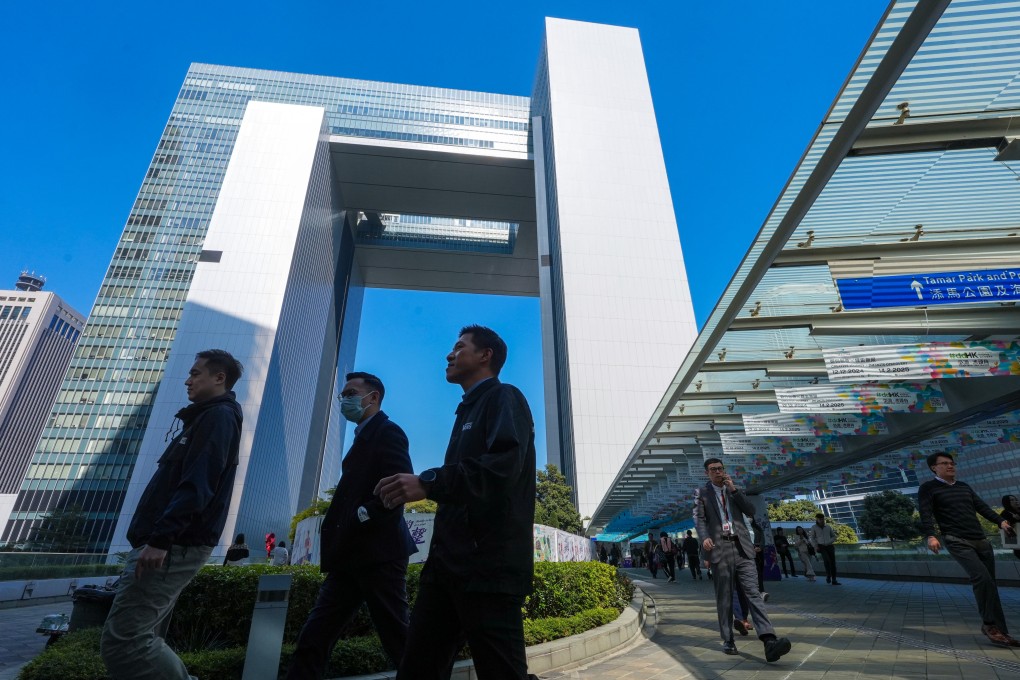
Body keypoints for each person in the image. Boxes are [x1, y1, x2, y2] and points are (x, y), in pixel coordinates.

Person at [375, 325, 537, 679]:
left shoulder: (504, 398)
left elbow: (502, 469)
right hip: (446, 569)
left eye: (460, 347)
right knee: (417, 669)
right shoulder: (466, 411)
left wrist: (428, 481)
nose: (449, 354)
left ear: (485, 355)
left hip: (487, 571)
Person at [100, 349, 244, 680]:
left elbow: (198, 484)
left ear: (219, 378)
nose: (187, 380)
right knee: (143, 637)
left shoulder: (218, 417)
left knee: (125, 642)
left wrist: (161, 540)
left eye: (196, 373)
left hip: (173, 545)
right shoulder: (205, 417)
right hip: (170, 543)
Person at [287, 372, 418, 679]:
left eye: (350, 393)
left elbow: (399, 488)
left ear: (372, 398)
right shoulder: (362, 437)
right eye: (343, 395)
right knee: (314, 637)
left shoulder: (388, 432)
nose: (344, 400)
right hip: (349, 557)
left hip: (379, 556)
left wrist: (360, 515)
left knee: (398, 638)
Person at [694, 458, 792, 662]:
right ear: (707, 473)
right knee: (725, 597)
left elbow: (750, 511)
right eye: (713, 470)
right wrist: (704, 538)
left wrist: (734, 490)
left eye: (720, 469)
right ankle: (728, 639)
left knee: (753, 594)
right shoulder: (702, 493)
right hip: (719, 550)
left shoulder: (734, 489)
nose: (718, 472)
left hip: (742, 549)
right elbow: (700, 519)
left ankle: (769, 641)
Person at [919, 453, 1019, 647]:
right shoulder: (928, 488)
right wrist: (931, 535)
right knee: (981, 578)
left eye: (952, 463)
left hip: (981, 540)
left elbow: (981, 507)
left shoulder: (964, 486)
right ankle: (990, 625)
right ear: (934, 468)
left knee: (990, 584)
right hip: (957, 540)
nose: (950, 466)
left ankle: (1001, 631)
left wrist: (1001, 522)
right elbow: (925, 513)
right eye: (944, 464)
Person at [809, 513, 840, 585]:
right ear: (817, 519)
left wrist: (830, 541)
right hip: (821, 546)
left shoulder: (828, 527)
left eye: (822, 519)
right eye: (820, 519)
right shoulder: (814, 527)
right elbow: (812, 538)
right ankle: (828, 576)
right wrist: (816, 546)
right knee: (827, 561)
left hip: (830, 546)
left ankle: (834, 579)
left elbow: (834, 536)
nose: (822, 520)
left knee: (833, 563)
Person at [1001, 494, 1020, 560]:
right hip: (1018, 545)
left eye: (1016, 499)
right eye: (1012, 500)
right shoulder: (1005, 513)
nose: (1016, 501)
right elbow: (1001, 525)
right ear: (1007, 502)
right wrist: (1013, 519)